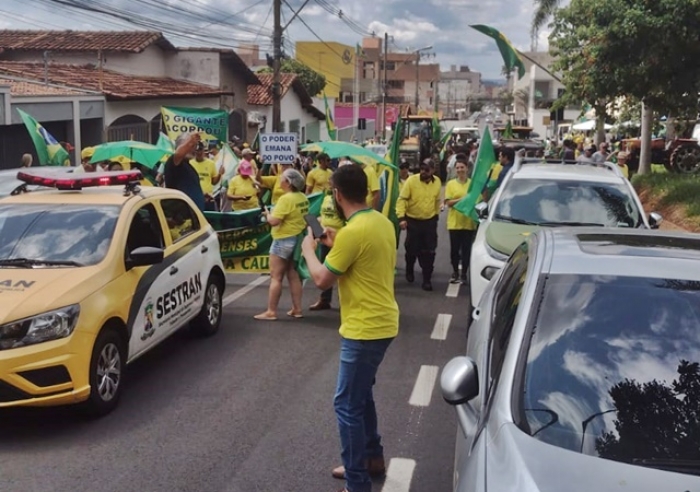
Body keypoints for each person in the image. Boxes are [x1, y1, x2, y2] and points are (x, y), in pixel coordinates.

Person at [300, 164, 398, 492]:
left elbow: (321, 279)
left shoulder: (353, 233)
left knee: (346, 404)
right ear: (367, 192)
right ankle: (372, 458)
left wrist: (309, 251)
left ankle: (357, 482)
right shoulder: (380, 222)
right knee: (361, 395)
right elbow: (357, 250)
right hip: (383, 322)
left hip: (364, 328)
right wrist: (333, 240)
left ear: (337, 195)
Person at [254, 169, 309, 321]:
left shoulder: (286, 199)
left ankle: (271, 311)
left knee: (276, 277)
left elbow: (274, 221)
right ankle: (297, 309)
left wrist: (267, 214)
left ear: (289, 183)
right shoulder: (303, 197)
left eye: (282, 179)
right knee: (293, 275)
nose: (280, 181)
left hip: (283, 239)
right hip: (297, 239)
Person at [396, 158, 442, 291]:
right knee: (411, 250)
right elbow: (402, 200)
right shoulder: (412, 181)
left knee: (429, 251)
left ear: (433, 171)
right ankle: (409, 269)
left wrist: (436, 216)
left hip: (429, 221)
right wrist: (401, 218)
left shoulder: (437, 182)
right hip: (413, 221)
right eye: (422, 169)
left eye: (427, 170)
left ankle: (427, 279)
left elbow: (437, 200)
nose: (423, 172)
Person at [309, 172, 346, 311]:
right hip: (325, 237)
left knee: (342, 270)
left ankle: (346, 301)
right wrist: (318, 226)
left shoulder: (341, 200)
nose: (329, 183)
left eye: (331, 181)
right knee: (326, 267)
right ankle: (325, 299)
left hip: (340, 237)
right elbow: (323, 215)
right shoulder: (326, 197)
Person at [443, 158, 477, 284]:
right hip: (454, 223)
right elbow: (448, 202)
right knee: (454, 250)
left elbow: (476, 200)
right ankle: (455, 272)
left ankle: (464, 274)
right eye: (457, 168)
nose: (460, 170)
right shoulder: (451, 184)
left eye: (462, 167)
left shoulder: (472, 184)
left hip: (468, 222)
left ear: (467, 169)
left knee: (467, 250)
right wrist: (462, 199)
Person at [164, 133, 206, 211]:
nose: (194, 149)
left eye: (195, 146)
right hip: (181, 217)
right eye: (191, 146)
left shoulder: (189, 166)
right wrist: (191, 140)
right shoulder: (173, 162)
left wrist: (202, 195)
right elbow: (178, 154)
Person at [190, 141, 224, 211]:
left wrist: (220, 174)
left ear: (203, 151)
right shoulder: (190, 163)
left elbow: (214, 182)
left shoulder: (211, 163)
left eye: (200, 150)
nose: (199, 153)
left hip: (208, 199)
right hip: (194, 197)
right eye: (197, 151)